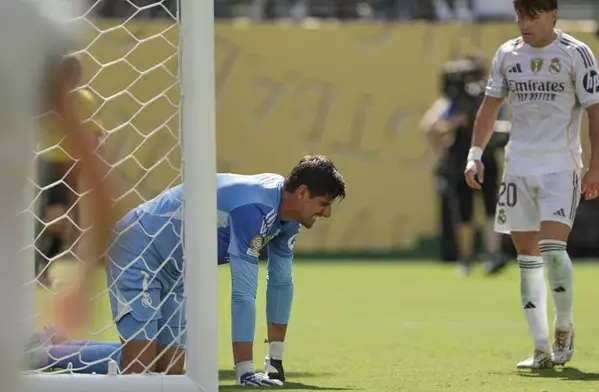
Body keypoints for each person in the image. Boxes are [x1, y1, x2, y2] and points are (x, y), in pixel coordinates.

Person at [103, 155, 345, 386]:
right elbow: (243, 293)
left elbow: (280, 282)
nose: (327, 213)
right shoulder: (254, 208)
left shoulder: (288, 215)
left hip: (175, 271)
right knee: (141, 372)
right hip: (138, 248)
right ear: (302, 192)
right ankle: (75, 352)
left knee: (169, 371)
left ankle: (71, 350)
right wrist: (245, 371)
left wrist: (275, 359)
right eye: (324, 203)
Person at [464, 0, 599, 369]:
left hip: (560, 166)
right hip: (517, 168)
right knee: (526, 260)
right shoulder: (507, 54)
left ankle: (563, 325)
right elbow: (490, 107)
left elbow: (596, 110)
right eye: (520, 15)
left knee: (553, 249)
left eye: (532, 15)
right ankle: (540, 348)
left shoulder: (576, 53)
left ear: (553, 15)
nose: (524, 23)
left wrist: (594, 167)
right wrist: (474, 154)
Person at [0, 1, 115, 391]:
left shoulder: (76, 94)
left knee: (59, 218)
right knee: (54, 217)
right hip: (50, 165)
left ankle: (43, 265)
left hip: (65, 168)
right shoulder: (27, 26)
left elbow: (91, 134)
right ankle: (42, 265)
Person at [422, 54, 508, 276]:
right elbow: (430, 126)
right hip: (461, 159)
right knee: (464, 212)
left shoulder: (487, 99)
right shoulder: (452, 102)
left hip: (484, 157)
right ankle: (467, 257)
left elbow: (502, 125)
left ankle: (492, 254)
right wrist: (451, 127)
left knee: (490, 208)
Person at [36, 80, 106, 287]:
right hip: (48, 164)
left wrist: (98, 143)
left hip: (70, 168)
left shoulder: (85, 99)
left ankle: (42, 270)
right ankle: (35, 269)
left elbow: (96, 132)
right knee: (52, 220)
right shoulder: (46, 98)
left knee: (62, 225)